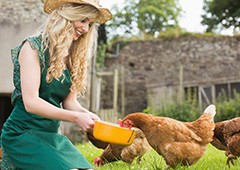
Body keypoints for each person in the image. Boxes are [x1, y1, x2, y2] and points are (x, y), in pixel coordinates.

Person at [1, 0, 112, 169]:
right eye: (82, 20)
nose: (86, 29)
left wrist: (88, 115)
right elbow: (31, 103)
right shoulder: (32, 48)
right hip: (22, 133)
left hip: (51, 135)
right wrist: (76, 118)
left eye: (90, 24)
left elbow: (69, 102)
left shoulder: (73, 56)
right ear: (67, 16)